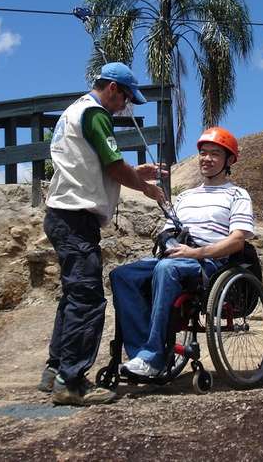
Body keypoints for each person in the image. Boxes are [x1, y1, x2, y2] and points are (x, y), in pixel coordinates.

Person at [38, 62, 166, 406]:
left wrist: (136, 171)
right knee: (88, 300)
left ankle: (55, 370)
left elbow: (94, 167)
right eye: (125, 97)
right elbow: (112, 166)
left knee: (73, 297)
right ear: (112, 88)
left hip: (63, 215)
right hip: (75, 219)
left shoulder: (74, 111)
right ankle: (72, 381)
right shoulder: (96, 114)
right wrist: (146, 188)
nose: (125, 105)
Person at [109, 127, 254, 378]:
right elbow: (166, 232)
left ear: (229, 160)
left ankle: (152, 357)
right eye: (203, 153)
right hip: (176, 256)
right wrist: (170, 246)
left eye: (215, 154)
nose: (206, 159)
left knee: (167, 269)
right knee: (122, 275)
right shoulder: (186, 196)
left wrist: (195, 253)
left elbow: (237, 241)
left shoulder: (237, 195)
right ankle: (141, 354)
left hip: (209, 264)